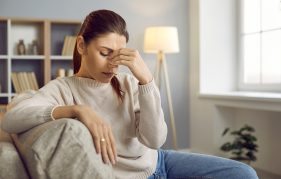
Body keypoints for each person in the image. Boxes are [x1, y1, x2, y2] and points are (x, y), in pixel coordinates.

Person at [2, 9, 259, 179]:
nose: (112, 64)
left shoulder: (127, 82)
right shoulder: (62, 89)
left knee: (243, 174)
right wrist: (78, 110)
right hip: (128, 175)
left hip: (159, 162)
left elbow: (155, 139)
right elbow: (11, 119)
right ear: (81, 45)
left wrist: (146, 80)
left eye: (118, 55)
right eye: (105, 53)